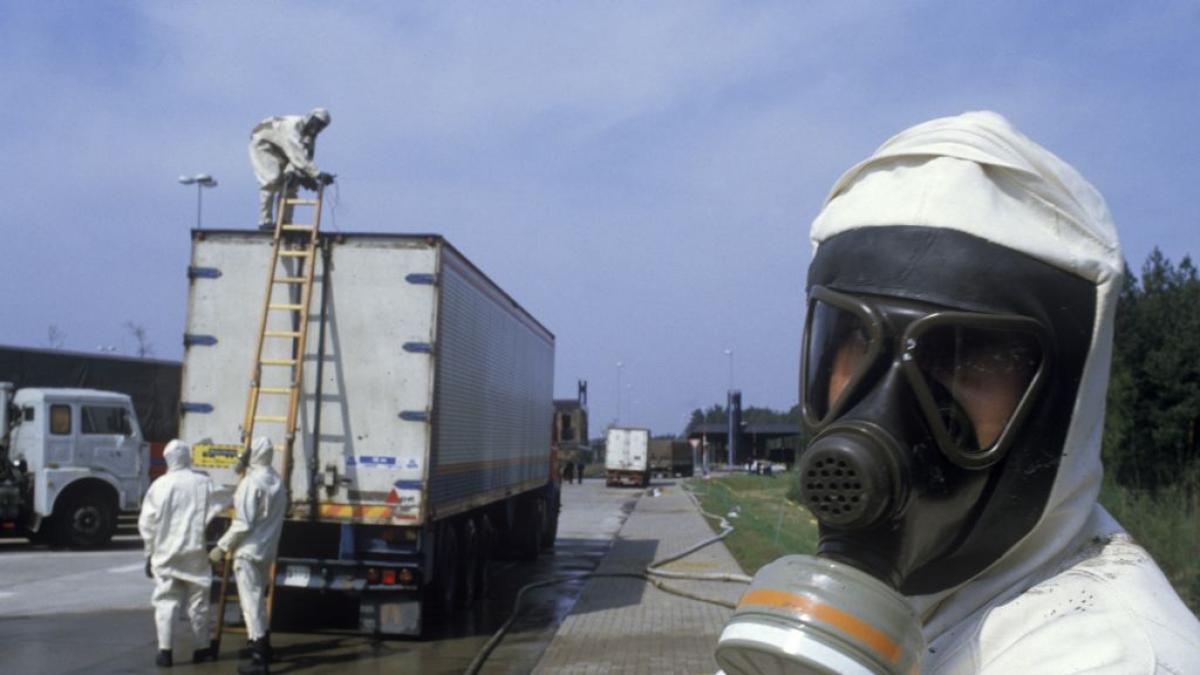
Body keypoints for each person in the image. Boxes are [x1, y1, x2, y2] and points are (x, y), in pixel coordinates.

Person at [723, 112, 1200, 674]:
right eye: (858, 339)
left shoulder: (1112, 659)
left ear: (1063, 407)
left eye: (968, 359)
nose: (884, 410)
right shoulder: (911, 606)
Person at [138, 439, 224, 668]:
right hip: (195, 553)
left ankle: (165, 651)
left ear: (167, 459)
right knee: (199, 602)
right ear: (188, 456)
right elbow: (222, 502)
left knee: (166, 602)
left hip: (165, 555)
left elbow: (147, 524)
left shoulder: (158, 486)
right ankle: (201, 648)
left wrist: (149, 553)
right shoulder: (203, 482)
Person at [209, 436, 287, 674]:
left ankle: (259, 658)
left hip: (248, 553)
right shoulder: (277, 481)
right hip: (266, 551)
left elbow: (243, 523)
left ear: (254, 454)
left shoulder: (251, 483)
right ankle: (265, 648)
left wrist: (221, 547)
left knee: (251, 604)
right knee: (259, 600)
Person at [249, 108, 332, 230]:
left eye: (321, 126)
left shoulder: (309, 137)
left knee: (292, 182)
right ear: (310, 118)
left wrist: (305, 177)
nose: (317, 128)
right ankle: (265, 220)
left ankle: (284, 221)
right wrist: (317, 174)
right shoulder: (292, 127)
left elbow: (306, 157)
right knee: (272, 179)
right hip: (264, 145)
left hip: (284, 150)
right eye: (316, 123)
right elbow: (297, 156)